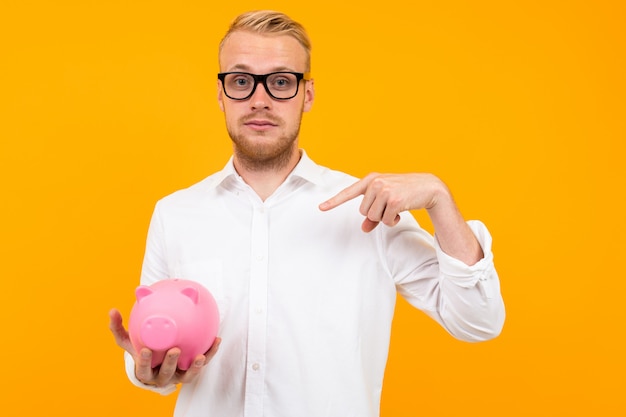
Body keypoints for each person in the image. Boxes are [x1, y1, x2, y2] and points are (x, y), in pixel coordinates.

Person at [109, 9, 505, 417]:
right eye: (242, 81)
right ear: (220, 94)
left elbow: (478, 320)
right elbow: (150, 356)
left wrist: (439, 198)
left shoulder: (368, 208)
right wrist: (149, 371)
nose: (259, 100)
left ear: (307, 94)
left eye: (281, 82)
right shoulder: (176, 214)